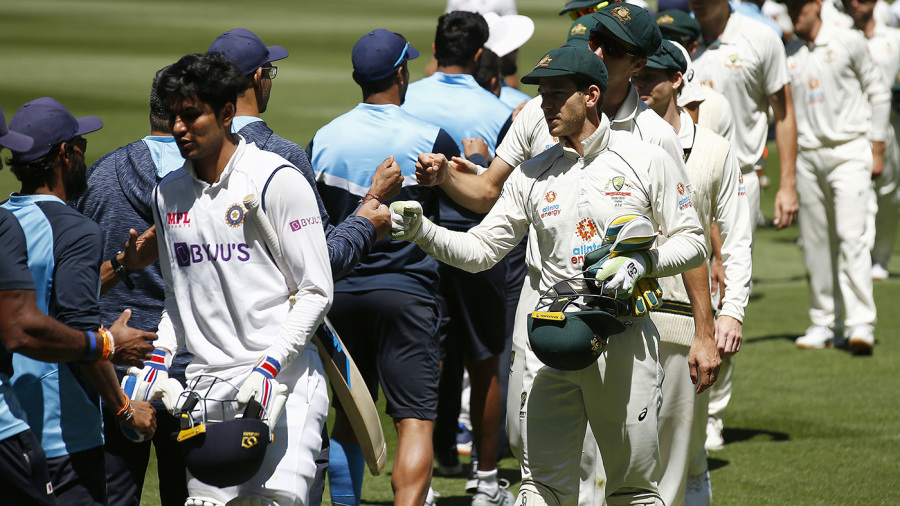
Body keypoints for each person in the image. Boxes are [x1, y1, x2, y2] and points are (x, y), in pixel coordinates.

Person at [394, 44, 707, 506]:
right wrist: (423, 232)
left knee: (634, 490)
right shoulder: (531, 174)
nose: (546, 107)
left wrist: (643, 263)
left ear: (592, 96)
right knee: (539, 487)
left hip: (625, 342)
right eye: (542, 97)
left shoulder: (647, 158)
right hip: (550, 342)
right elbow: (482, 250)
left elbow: (693, 240)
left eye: (558, 95)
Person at [207, 27, 401, 506]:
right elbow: (320, 267)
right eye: (268, 71)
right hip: (279, 360)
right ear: (257, 77)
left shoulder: (182, 162)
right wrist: (369, 209)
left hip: (204, 360)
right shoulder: (283, 156)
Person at [145, 52, 332, 505]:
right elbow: (177, 294)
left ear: (227, 113)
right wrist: (160, 357)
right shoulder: (166, 194)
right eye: (173, 117)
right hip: (204, 391)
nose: (178, 129)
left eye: (191, 115)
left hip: (283, 383)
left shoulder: (275, 180)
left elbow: (315, 291)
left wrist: (270, 366)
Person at [308, 29, 460, 506]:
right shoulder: (430, 138)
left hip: (343, 296)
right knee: (414, 421)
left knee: (349, 417)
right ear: (400, 72)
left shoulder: (323, 138)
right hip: (410, 296)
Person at [2, 97, 158, 505]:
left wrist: (123, 264)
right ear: (63, 155)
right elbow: (79, 327)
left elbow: (44, 297)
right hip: (62, 434)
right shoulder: (76, 229)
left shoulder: (5, 218)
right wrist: (125, 409)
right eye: (81, 147)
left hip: (11, 426)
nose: (85, 157)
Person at [632, 40, 753, 506]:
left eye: (650, 78)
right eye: (635, 76)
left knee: (682, 455)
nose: (639, 86)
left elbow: (738, 236)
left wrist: (732, 312)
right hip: (626, 320)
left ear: (677, 80)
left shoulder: (716, 150)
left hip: (688, 322)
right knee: (621, 455)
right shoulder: (617, 140)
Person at [402, 12, 516, 505]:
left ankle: (422, 485)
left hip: (417, 242)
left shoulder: (405, 97)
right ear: (478, 55)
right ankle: (486, 482)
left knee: (427, 361)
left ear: (434, 48)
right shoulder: (495, 108)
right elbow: (508, 188)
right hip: (480, 245)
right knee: (486, 361)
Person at [75, 66, 191, 506]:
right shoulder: (217, 180)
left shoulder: (101, 174)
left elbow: (79, 276)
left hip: (115, 370)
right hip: (193, 371)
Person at [688, 0, 801, 451]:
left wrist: (787, 184)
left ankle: (712, 413)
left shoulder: (761, 38)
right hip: (681, 176)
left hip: (741, 177)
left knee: (723, 296)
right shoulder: (676, 38)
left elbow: (784, 113)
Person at [783, 0, 890, 354]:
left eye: (799, 6)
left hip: (850, 150)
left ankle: (861, 323)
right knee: (815, 242)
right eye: (788, 5)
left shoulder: (848, 39)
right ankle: (823, 323)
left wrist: (877, 148)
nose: (793, 11)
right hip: (808, 156)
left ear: (817, 5)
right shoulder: (791, 52)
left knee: (851, 237)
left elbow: (877, 91)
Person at [841, 0, 900, 280]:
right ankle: (859, 256)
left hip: (889, 127)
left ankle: (881, 256)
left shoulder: (894, 38)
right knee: (855, 192)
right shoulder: (839, 35)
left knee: (889, 195)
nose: (854, 3)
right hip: (850, 127)